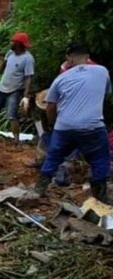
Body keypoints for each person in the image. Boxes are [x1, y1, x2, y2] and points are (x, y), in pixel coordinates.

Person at [36, 43, 111, 203]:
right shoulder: (102, 72)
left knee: (54, 156)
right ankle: (101, 194)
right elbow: (102, 96)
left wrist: (53, 125)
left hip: (65, 126)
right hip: (92, 126)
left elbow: (50, 108)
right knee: (99, 157)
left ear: (69, 58)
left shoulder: (60, 78)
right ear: (87, 56)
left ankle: (39, 189)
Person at [0, 32, 35, 143]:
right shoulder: (10, 53)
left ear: (19, 44)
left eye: (13, 42)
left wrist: (25, 96)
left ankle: (16, 141)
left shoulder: (28, 59)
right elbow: (1, 68)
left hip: (14, 91)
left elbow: (28, 77)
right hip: (2, 89)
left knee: (11, 116)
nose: (11, 43)